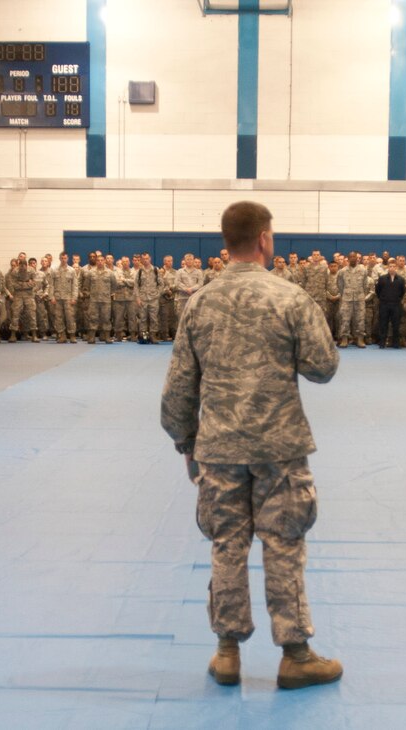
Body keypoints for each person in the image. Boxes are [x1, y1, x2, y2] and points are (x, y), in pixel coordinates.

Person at [161, 201, 342, 690]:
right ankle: (295, 654)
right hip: (278, 447)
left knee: (227, 546)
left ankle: (226, 653)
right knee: (283, 545)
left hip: (219, 449)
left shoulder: (199, 301)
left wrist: (186, 442)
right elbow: (323, 367)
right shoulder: (290, 297)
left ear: (227, 242)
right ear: (264, 238)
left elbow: (179, 386)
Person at [373, 259, 406, 349]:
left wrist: (397, 299)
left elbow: (403, 292)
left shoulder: (401, 279)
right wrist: (383, 298)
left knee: (396, 324)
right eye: (390, 267)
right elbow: (377, 291)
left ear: (396, 268)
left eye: (394, 267)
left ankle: (396, 343)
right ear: (388, 268)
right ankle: (382, 342)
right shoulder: (382, 278)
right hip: (384, 304)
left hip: (396, 305)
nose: (392, 268)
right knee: (383, 324)